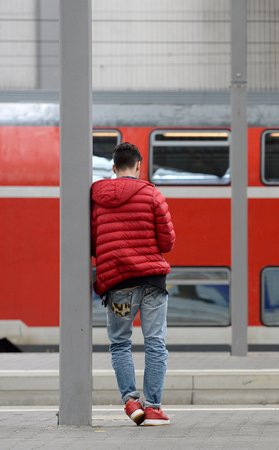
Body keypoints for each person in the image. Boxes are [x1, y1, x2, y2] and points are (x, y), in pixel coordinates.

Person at [91, 142, 176, 426]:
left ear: (113, 168)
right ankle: (153, 408)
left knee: (119, 343)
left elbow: (93, 240)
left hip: (118, 283)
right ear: (138, 166)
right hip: (152, 281)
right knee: (155, 344)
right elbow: (167, 242)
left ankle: (131, 401)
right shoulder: (151, 194)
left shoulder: (97, 196)